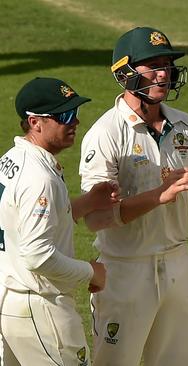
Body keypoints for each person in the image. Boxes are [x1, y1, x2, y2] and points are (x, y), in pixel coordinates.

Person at [78, 27, 188, 366]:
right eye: (153, 65)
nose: (163, 73)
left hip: (178, 265)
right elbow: (95, 217)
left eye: (167, 65)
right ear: (125, 72)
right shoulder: (105, 133)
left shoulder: (183, 124)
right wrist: (158, 195)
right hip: (125, 269)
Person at [0, 77, 114, 365]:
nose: (73, 121)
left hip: (11, 301)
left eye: (74, 112)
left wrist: (88, 203)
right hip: (39, 308)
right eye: (63, 116)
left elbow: (23, 224)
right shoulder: (39, 178)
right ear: (35, 122)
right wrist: (91, 272)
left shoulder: (11, 160)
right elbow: (37, 256)